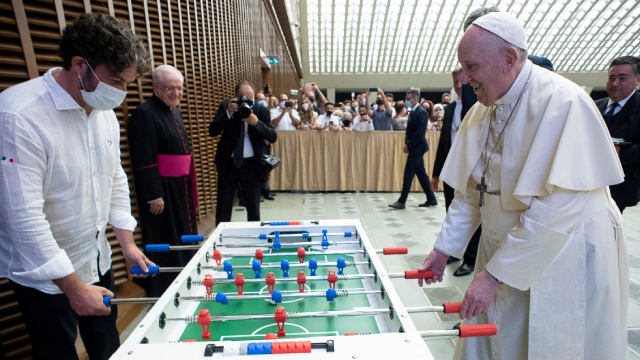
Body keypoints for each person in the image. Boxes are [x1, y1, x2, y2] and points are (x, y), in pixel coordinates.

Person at [419, 12, 627, 360]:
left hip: (562, 250)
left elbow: (557, 210)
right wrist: (444, 249)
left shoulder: (564, 102)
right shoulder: (482, 110)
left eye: (471, 66)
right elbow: (472, 193)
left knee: (556, 343)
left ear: (509, 58)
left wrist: (494, 275)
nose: (464, 78)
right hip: (503, 250)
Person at [0, 13, 154, 360]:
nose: (122, 92)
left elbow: (113, 178)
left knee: (106, 344)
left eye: (128, 83)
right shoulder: (19, 115)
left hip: (95, 256)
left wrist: (126, 244)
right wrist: (71, 287)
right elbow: (22, 220)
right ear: (79, 64)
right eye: (116, 80)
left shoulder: (104, 114)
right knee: (57, 352)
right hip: (46, 275)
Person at [127, 65, 198, 297]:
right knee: (165, 234)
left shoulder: (173, 110)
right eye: (170, 88)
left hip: (180, 186)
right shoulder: (144, 113)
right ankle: (165, 284)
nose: (176, 93)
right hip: (162, 190)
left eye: (179, 88)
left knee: (182, 231)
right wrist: (153, 193)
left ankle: (184, 273)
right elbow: (144, 158)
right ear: (156, 87)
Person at [430, 68, 481, 277]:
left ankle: (470, 258)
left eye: (461, 80)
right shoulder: (450, 108)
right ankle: (453, 250)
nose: (458, 85)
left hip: (470, 170)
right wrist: (436, 172)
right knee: (451, 209)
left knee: (471, 210)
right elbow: (444, 142)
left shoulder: (477, 106)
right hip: (452, 169)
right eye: (455, 81)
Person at [209, 81, 277, 225]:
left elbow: (272, 136)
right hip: (228, 164)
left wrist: (257, 123)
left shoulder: (261, 111)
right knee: (224, 205)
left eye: (249, 98)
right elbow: (213, 131)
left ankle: (253, 237)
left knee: (253, 206)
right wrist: (228, 114)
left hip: (252, 165)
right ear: (235, 97)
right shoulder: (226, 106)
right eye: (242, 97)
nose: (246, 101)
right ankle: (222, 238)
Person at [595, 55, 640, 214]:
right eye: (611, 78)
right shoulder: (596, 105)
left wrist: (621, 151)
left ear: (637, 79)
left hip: (621, 184)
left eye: (622, 78)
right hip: (591, 179)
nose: (615, 83)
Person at [389, 90, 438, 209]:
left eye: (408, 98)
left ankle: (402, 201)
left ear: (415, 99)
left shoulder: (421, 112)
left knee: (408, 174)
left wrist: (409, 145)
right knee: (421, 174)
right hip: (414, 147)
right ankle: (431, 198)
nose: (406, 100)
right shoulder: (414, 111)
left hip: (418, 148)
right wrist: (407, 143)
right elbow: (409, 131)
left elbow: (419, 134)